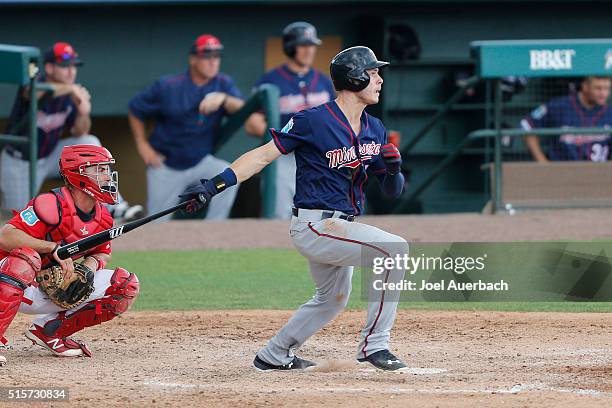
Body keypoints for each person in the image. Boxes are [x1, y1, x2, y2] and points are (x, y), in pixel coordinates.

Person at [181, 47, 410, 372]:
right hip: (316, 225)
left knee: (331, 299)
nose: (380, 80)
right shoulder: (313, 120)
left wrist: (393, 172)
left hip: (342, 226)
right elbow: (261, 156)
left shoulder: (375, 128)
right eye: (373, 73)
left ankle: (274, 355)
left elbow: (392, 192)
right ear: (355, 77)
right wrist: (215, 184)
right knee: (394, 250)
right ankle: (375, 345)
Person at [0, 144, 140, 365]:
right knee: (26, 260)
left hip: (47, 288)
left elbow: (102, 253)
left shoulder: (103, 217)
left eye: (106, 169)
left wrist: (87, 269)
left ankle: (49, 331)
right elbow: (5, 236)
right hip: (11, 281)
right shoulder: (50, 205)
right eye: (99, 170)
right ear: (78, 173)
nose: (107, 176)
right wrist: (51, 248)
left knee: (125, 284)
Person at [1, 41, 143, 222]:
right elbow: (31, 93)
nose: (71, 71)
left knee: (89, 141)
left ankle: (114, 207)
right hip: (19, 161)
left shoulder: (72, 93)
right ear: (49, 68)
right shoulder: (37, 82)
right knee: (21, 220)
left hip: (50, 156)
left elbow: (80, 130)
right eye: (64, 66)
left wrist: (83, 113)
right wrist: (71, 89)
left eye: (73, 66)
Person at [128, 34, 244, 221]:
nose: (213, 62)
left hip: (201, 162)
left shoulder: (223, 83)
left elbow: (244, 108)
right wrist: (142, 144)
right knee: (156, 223)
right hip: (166, 165)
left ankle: (214, 231)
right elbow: (135, 109)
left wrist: (224, 98)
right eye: (207, 56)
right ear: (193, 59)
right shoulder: (168, 86)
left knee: (229, 174)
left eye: (216, 56)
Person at [245, 22, 335, 219]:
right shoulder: (270, 81)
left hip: (319, 156)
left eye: (311, 45)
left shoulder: (323, 81)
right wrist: (283, 140)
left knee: (323, 214)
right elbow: (252, 123)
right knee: (281, 214)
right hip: (284, 156)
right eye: (303, 45)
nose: (309, 50)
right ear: (290, 47)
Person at [521, 76, 612, 162]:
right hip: (562, 171)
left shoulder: (609, 112)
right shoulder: (560, 105)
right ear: (585, 87)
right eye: (598, 88)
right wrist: (543, 163)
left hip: (599, 172)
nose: (603, 94)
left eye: (606, 88)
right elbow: (526, 125)